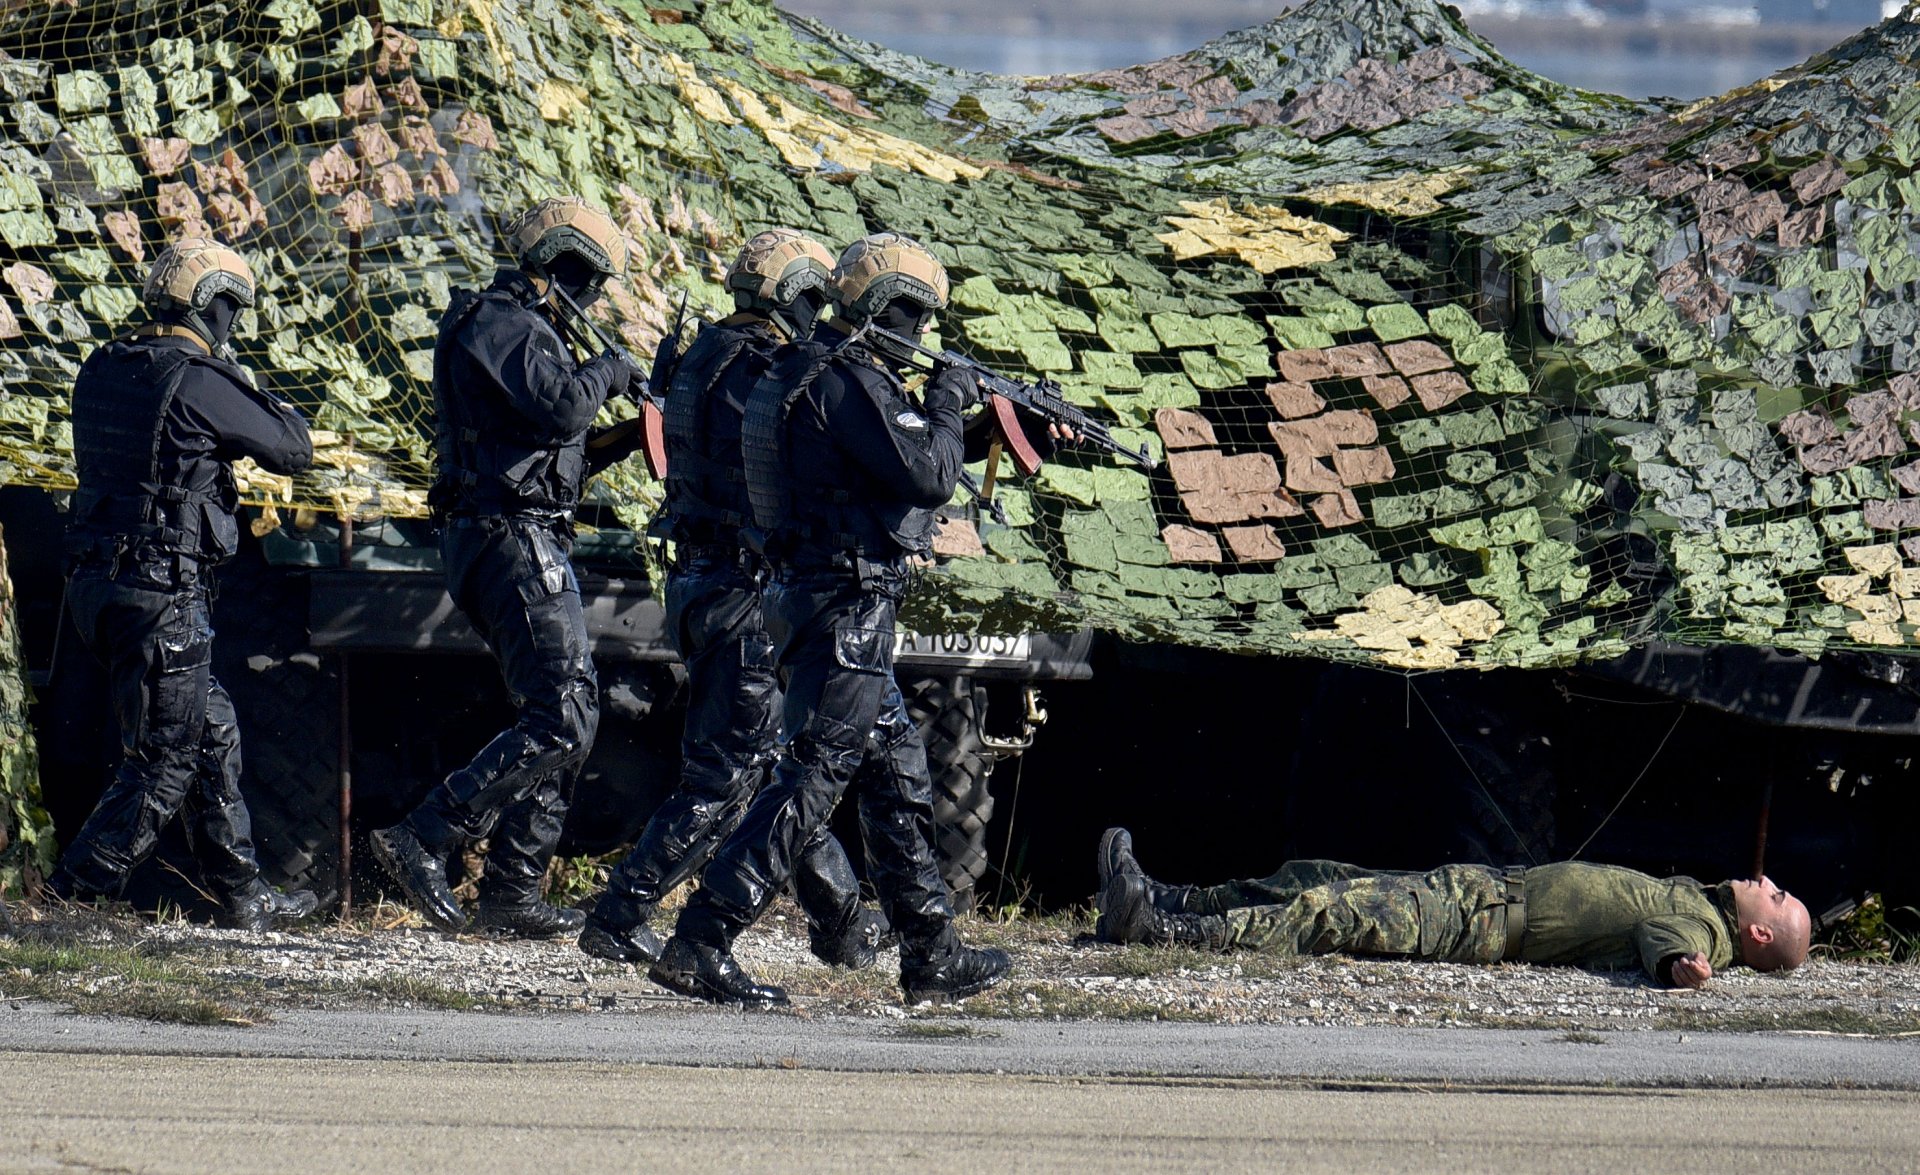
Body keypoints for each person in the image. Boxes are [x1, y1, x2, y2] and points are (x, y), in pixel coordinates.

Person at [649, 232, 1038, 1007]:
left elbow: (879, 465)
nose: (921, 338)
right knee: (812, 780)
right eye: (914, 320)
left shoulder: (803, 370)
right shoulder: (850, 380)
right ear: (887, 310)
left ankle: (931, 949)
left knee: (899, 775)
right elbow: (927, 473)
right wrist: (947, 401)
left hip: (818, 601)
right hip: (843, 610)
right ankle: (702, 936)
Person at [578, 228, 888, 970]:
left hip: (699, 582)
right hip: (740, 589)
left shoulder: (702, 358)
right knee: (731, 772)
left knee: (776, 762)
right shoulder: (759, 370)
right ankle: (622, 911)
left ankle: (844, 924)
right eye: (814, 299)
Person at [371, 196, 637, 937]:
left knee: (569, 717)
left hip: (524, 534)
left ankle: (513, 889)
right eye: (587, 283)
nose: (588, 302)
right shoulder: (500, 320)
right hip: (507, 539)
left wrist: (628, 431)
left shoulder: (523, 330)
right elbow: (560, 409)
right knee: (561, 711)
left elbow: (555, 451)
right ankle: (425, 832)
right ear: (565, 267)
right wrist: (609, 371)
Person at [47, 237, 318, 931]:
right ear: (212, 307)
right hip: (162, 591)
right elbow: (293, 449)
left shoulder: (103, 367)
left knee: (212, 732)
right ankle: (73, 893)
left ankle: (243, 895)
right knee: (166, 759)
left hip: (99, 590)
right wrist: (262, 393)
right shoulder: (197, 378)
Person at [1092, 828, 1812, 986]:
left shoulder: (1702, 932)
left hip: (1486, 920)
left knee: (1330, 912)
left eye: (1776, 896)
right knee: (1319, 874)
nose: (1768, 878)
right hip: (1486, 888)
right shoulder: (1708, 904)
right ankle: (1168, 896)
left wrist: (1678, 966)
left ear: (1756, 932)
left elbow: (1660, 937)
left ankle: (1167, 929)